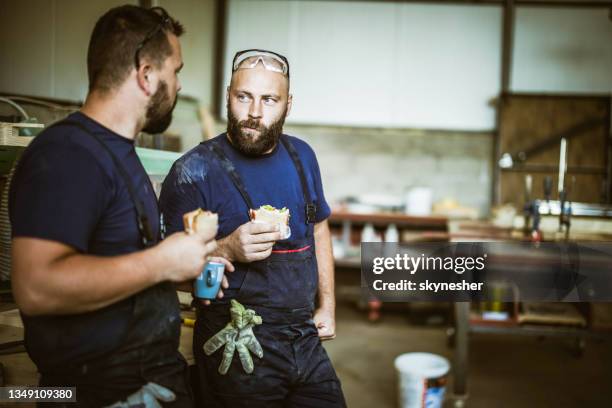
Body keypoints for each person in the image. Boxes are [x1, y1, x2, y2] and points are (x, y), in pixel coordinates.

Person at [9, 5, 230, 407]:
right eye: (175, 71)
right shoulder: (67, 154)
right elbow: (37, 287)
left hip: (146, 381)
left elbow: (117, 264)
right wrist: (162, 261)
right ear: (146, 74)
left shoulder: (119, 154)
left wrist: (185, 263)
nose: (178, 85)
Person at [159, 49, 346, 407]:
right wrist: (225, 248)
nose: (254, 113)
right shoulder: (193, 171)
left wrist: (328, 306)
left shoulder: (303, 157)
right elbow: (165, 273)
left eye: (269, 100)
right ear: (228, 95)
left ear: (288, 104)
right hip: (236, 341)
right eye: (243, 97)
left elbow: (319, 230)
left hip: (303, 338)